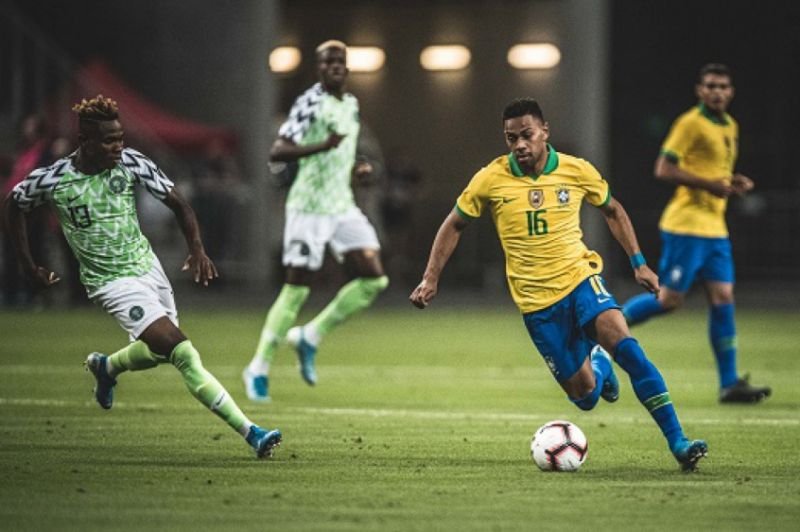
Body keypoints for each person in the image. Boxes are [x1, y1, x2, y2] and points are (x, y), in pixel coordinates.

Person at [410, 98, 708, 471]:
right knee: (584, 397)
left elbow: (613, 210)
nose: (519, 144)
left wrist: (639, 264)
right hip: (537, 305)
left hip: (580, 279)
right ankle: (599, 364)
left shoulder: (576, 170)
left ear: (544, 132)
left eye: (527, 135)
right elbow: (454, 224)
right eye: (511, 138)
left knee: (629, 348)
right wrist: (430, 277)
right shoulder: (490, 178)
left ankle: (678, 441)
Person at [3, 95, 281, 458]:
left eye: (120, 137)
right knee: (183, 353)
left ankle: (106, 367)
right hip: (110, 283)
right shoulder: (54, 179)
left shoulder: (131, 163)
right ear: (84, 141)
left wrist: (196, 248)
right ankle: (252, 432)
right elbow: (13, 204)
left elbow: (179, 204)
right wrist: (28, 265)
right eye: (108, 140)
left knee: (159, 352)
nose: (118, 146)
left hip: (147, 267)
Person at [242, 40, 388, 402]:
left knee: (374, 278)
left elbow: (343, 152)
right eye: (328, 62)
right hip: (308, 208)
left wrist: (359, 168)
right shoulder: (310, 102)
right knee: (297, 290)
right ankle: (258, 366)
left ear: (347, 68)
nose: (335, 66)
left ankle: (311, 335)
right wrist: (323, 146)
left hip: (341, 205)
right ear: (319, 69)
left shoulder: (351, 105)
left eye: (340, 61)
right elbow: (279, 150)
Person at [621, 63, 770, 404]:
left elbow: (714, 173)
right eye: (711, 86)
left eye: (723, 86)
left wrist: (731, 183)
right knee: (669, 300)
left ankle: (729, 383)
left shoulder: (730, 125)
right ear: (700, 91)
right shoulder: (690, 123)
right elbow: (663, 168)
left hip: (715, 229)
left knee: (723, 298)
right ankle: (607, 326)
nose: (717, 92)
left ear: (730, 92)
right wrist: (711, 185)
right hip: (686, 226)